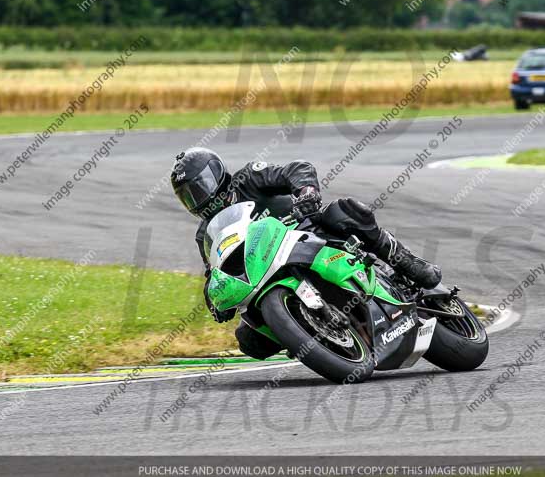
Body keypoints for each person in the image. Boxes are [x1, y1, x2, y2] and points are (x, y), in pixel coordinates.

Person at [171, 147, 441, 360]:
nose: (199, 197)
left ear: (217, 173)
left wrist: (306, 191)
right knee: (248, 338)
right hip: (265, 272)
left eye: (200, 186)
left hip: (305, 230)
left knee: (344, 211)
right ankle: (307, 332)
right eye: (189, 196)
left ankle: (407, 263)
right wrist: (216, 300)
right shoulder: (204, 233)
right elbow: (214, 271)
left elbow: (296, 169)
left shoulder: (248, 178)